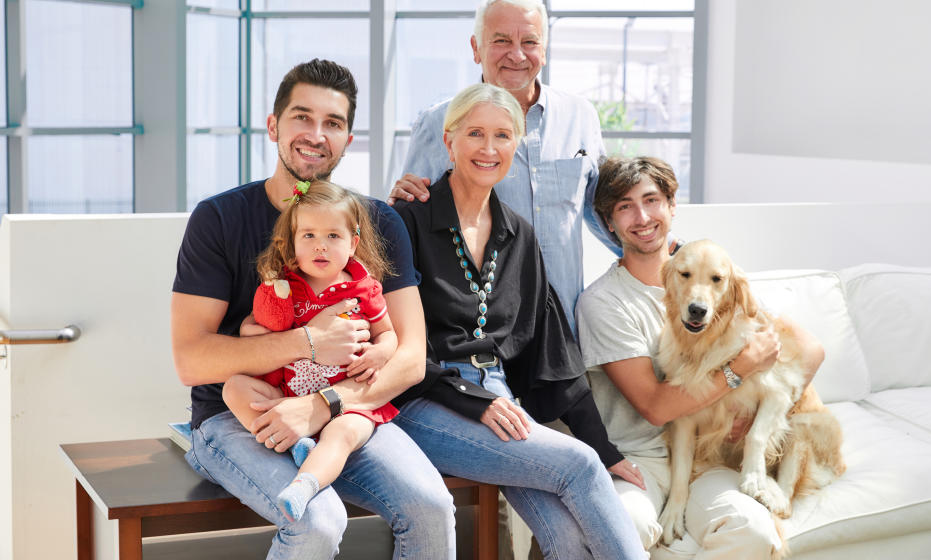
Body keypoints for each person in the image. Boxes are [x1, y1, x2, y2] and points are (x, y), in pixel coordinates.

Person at [171, 59, 456, 559]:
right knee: (316, 520)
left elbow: (409, 357)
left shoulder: (377, 221)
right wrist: (309, 341)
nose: (316, 134)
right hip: (236, 413)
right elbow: (191, 361)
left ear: (348, 139)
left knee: (432, 506)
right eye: (302, 117)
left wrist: (325, 405)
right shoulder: (217, 219)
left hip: (346, 408)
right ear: (273, 125)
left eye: (334, 123)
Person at [391, 82, 648, 560]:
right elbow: (392, 343)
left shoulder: (517, 235)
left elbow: (552, 351)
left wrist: (607, 446)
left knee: (568, 540)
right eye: (475, 134)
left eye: (503, 136)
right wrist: (475, 401)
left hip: (501, 400)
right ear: (449, 141)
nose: (489, 149)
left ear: (516, 144)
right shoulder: (405, 223)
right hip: (423, 400)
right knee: (579, 465)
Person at [575, 156, 825, 558]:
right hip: (645, 458)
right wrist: (740, 369)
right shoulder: (603, 302)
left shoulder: (715, 270)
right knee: (622, 528)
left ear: (672, 206)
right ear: (608, 223)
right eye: (624, 207)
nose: (642, 216)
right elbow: (657, 408)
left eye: (652, 200)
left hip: (710, 455)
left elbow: (810, 349)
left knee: (753, 534)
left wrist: (753, 418)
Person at [388, 0, 618, 330]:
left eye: (529, 41)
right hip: (482, 328)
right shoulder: (439, 122)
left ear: (544, 49)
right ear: (475, 47)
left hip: (565, 325)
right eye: (501, 40)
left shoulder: (580, 116)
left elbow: (603, 211)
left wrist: (661, 255)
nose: (516, 54)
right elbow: (411, 220)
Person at [222, 179, 401, 523]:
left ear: (353, 243)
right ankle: (295, 444)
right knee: (235, 388)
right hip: (287, 396)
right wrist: (251, 330)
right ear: (291, 245)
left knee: (342, 434)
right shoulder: (286, 287)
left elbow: (388, 335)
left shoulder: (363, 289)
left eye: (333, 236)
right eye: (309, 236)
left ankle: (304, 485)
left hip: (346, 401)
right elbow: (253, 327)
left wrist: (379, 354)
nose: (321, 246)